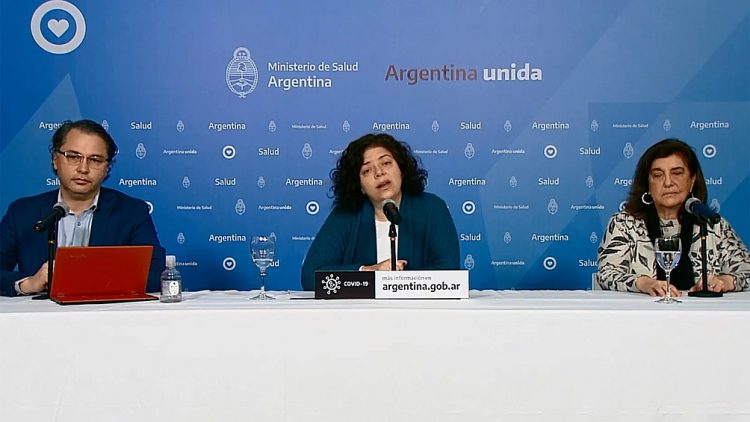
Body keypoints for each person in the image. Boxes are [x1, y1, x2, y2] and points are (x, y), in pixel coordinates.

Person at [0, 119, 166, 296]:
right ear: (55, 159)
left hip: (104, 311)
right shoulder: (22, 212)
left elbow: (156, 274)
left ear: (107, 168)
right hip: (39, 312)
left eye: (95, 160)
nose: (83, 168)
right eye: (73, 157)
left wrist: (91, 279)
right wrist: (28, 284)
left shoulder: (132, 212)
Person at [301, 133, 460, 291]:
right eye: (367, 170)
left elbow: (449, 273)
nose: (379, 172)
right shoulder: (346, 215)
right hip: (360, 308)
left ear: (401, 169)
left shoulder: (432, 208)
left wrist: (394, 283)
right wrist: (368, 273)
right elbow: (310, 276)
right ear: (360, 186)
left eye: (386, 163)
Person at [597, 138, 750, 296]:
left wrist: (724, 281)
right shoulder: (624, 224)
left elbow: (747, 271)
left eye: (677, 173)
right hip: (643, 310)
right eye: (658, 175)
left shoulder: (711, 224)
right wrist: (645, 283)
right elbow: (607, 275)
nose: (668, 182)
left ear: (692, 180)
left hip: (702, 311)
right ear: (647, 184)